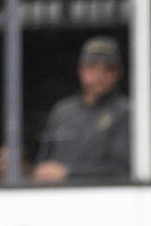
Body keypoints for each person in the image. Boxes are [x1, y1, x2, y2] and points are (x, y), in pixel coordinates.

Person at [33, 35, 130, 184]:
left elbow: (121, 168)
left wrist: (69, 174)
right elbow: (44, 163)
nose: (99, 75)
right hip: (58, 200)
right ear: (81, 70)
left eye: (108, 69)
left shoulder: (126, 112)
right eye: (92, 66)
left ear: (119, 73)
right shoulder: (62, 112)